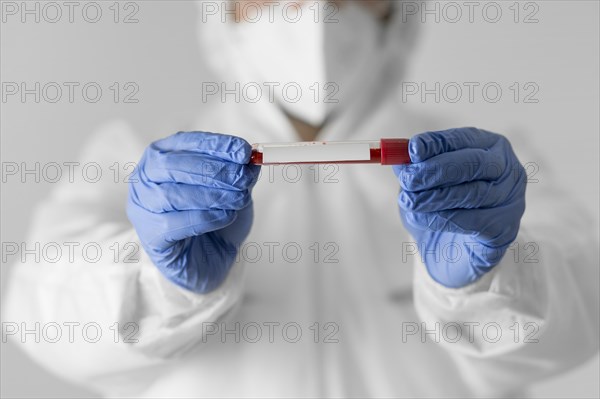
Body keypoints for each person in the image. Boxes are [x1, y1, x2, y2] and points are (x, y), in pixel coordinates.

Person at [4, 1, 599, 397]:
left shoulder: (484, 165)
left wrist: (491, 279)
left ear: (398, 12)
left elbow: (584, 315)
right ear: (223, 13)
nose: (313, 12)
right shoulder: (138, 156)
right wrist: (162, 285)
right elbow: (38, 317)